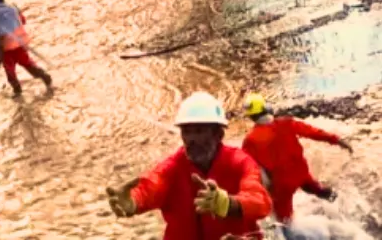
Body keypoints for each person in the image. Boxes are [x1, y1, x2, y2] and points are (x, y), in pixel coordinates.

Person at [106, 92, 272, 240]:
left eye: (199, 131)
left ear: (218, 134)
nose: (191, 139)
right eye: (186, 131)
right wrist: (134, 201)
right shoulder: (173, 167)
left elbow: (260, 202)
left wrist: (227, 204)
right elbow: (151, 185)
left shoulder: (240, 162)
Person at [241, 93, 354, 224]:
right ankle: (343, 211)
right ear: (266, 108)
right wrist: (338, 140)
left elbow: (247, 166)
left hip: (282, 185)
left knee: (285, 222)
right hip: (302, 174)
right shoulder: (287, 123)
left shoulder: (250, 140)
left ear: (251, 116)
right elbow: (314, 132)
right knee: (320, 191)